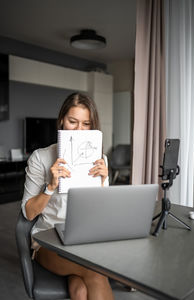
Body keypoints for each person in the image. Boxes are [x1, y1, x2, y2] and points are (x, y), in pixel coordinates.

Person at [21, 93, 114, 300]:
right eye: (73, 122)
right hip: (49, 241)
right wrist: (50, 186)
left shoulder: (100, 160)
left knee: (80, 291)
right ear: (62, 120)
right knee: (96, 271)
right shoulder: (41, 157)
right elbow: (28, 213)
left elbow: (103, 214)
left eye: (86, 124)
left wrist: (102, 182)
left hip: (85, 240)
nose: (79, 130)